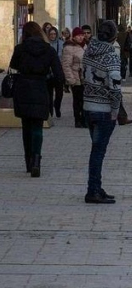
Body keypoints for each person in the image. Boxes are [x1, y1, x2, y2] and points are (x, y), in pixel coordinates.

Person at [8, 21, 65, 177]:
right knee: (37, 127)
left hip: (23, 90)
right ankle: (36, 161)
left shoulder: (20, 49)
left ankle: (28, 162)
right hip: (41, 89)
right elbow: (59, 75)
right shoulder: (49, 50)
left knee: (26, 126)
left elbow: (13, 66)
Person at [82, 20, 123, 204]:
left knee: (96, 149)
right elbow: (115, 87)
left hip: (88, 107)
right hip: (104, 110)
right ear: (114, 36)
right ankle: (93, 190)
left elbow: (82, 75)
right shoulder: (111, 56)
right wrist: (115, 110)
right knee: (98, 152)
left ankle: (96, 186)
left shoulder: (88, 51)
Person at [61, 27, 86, 128]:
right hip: (76, 78)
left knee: (85, 100)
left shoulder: (84, 46)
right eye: (78, 36)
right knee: (78, 100)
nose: (80, 37)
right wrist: (70, 79)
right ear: (74, 36)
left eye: (81, 35)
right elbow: (66, 65)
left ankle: (84, 119)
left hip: (84, 78)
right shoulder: (69, 48)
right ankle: (78, 120)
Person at [46, 26, 64, 117]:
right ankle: (50, 111)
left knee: (59, 93)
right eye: (51, 34)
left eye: (54, 34)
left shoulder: (61, 44)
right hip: (49, 72)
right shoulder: (46, 44)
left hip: (58, 71)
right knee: (49, 93)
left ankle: (57, 106)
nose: (52, 36)